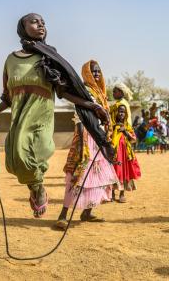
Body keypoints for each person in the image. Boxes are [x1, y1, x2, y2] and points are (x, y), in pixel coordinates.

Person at [0, 13, 113, 218]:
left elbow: (64, 91)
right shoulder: (11, 60)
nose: (40, 24)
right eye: (34, 21)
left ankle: (38, 187)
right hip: (19, 117)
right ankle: (36, 188)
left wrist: (92, 106)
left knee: (31, 155)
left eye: (43, 22)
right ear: (22, 28)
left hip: (41, 117)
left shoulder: (48, 56)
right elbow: (7, 98)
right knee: (14, 161)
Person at [56, 60, 119, 229]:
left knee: (97, 176)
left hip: (99, 139)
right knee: (78, 174)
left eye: (98, 71)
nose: (97, 74)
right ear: (86, 74)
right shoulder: (83, 91)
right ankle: (63, 215)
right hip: (86, 137)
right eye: (93, 72)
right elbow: (79, 113)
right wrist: (82, 135)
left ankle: (87, 212)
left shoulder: (100, 93)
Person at [110, 104, 141, 202]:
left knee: (123, 171)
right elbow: (108, 137)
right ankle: (111, 193)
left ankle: (122, 193)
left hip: (125, 154)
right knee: (113, 171)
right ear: (115, 113)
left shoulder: (127, 126)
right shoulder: (112, 126)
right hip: (114, 153)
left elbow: (134, 139)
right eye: (119, 111)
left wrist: (125, 132)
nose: (121, 113)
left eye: (123, 112)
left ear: (126, 114)